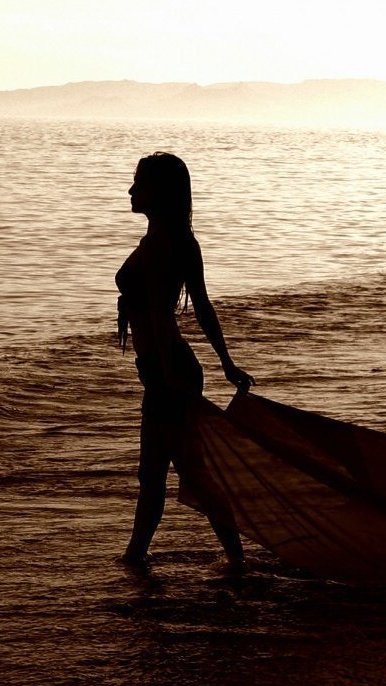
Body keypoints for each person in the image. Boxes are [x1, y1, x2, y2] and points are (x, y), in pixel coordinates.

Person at [115, 152, 253, 573]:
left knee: (177, 477)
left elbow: (160, 314)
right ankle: (141, 559)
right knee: (164, 477)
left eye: (139, 183)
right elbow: (204, 307)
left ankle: (138, 561)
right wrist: (225, 364)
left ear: (160, 192)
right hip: (166, 369)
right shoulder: (178, 239)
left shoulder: (163, 244)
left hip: (166, 370)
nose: (131, 190)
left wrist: (169, 375)